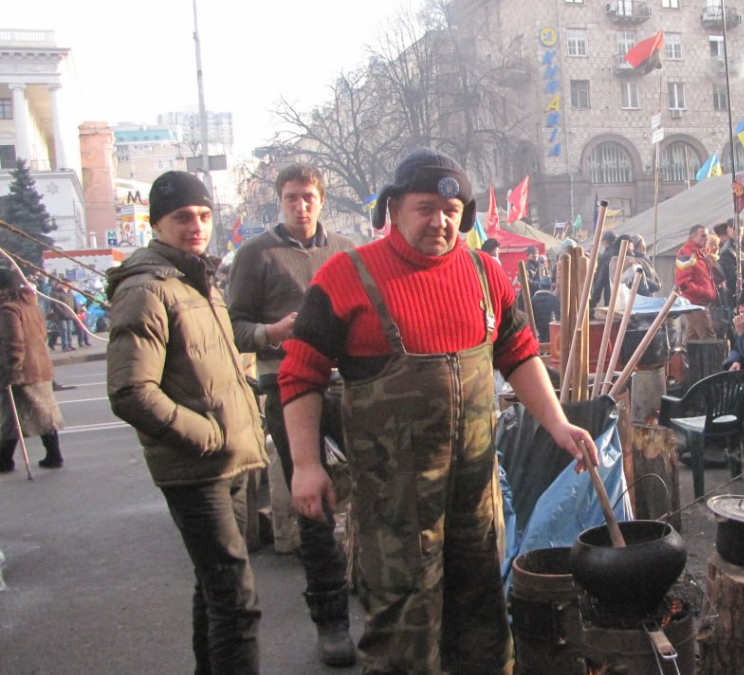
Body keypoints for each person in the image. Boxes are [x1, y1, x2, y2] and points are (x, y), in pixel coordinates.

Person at [279, 148, 597, 675]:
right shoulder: (345, 276)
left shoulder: (485, 273)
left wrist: (558, 423)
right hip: (395, 506)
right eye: (425, 208)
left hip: (474, 495)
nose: (440, 221)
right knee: (404, 630)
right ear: (394, 209)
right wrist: (306, 466)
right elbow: (299, 373)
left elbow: (518, 353)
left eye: (452, 211)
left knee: (484, 621)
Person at [106, 171, 268, 675]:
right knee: (236, 602)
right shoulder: (147, 289)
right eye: (182, 217)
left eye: (202, 216)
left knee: (216, 589)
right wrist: (209, 436)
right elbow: (131, 391)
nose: (195, 226)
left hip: (229, 462)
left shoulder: (196, 280)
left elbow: (217, 366)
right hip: (199, 469)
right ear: (158, 223)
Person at [225, 163, 358, 667]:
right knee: (312, 499)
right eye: (290, 197)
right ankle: (330, 619)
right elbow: (233, 326)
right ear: (279, 201)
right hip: (285, 384)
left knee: (375, 486)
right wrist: (272, 331)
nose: (300, 206)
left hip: (347, 383)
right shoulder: (256, 254)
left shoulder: (344, 250)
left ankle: (372, 587)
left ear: (321, 199)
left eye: (308, 196)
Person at [0, 268, 65, 472]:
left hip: (22, 370)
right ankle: (53, 455)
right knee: (42, 414)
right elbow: (42, 336)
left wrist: (11, 369)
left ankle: (4, 460)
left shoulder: (9, 310)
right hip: (40, 367)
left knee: (12, 417)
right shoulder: (30, 306)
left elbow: (13, 343)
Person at [674, 224, 718, 342]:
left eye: (707, 236)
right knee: (709, 338)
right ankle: (712, 360)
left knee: (692, 339)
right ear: (693, 237)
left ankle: (686, 360)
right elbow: (683, 283)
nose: (707, 239)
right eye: (703, 236)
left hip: (699, 301)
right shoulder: (687, 254)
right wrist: (704, 293)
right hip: (695, 302)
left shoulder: (702, 253)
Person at [589, 230, 619, 306]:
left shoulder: (606, 256)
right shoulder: (625, 252)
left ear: (605, 242)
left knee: (612, 317)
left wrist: (594, 300)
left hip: (611, 294)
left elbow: (600, 279)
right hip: (628, 296)